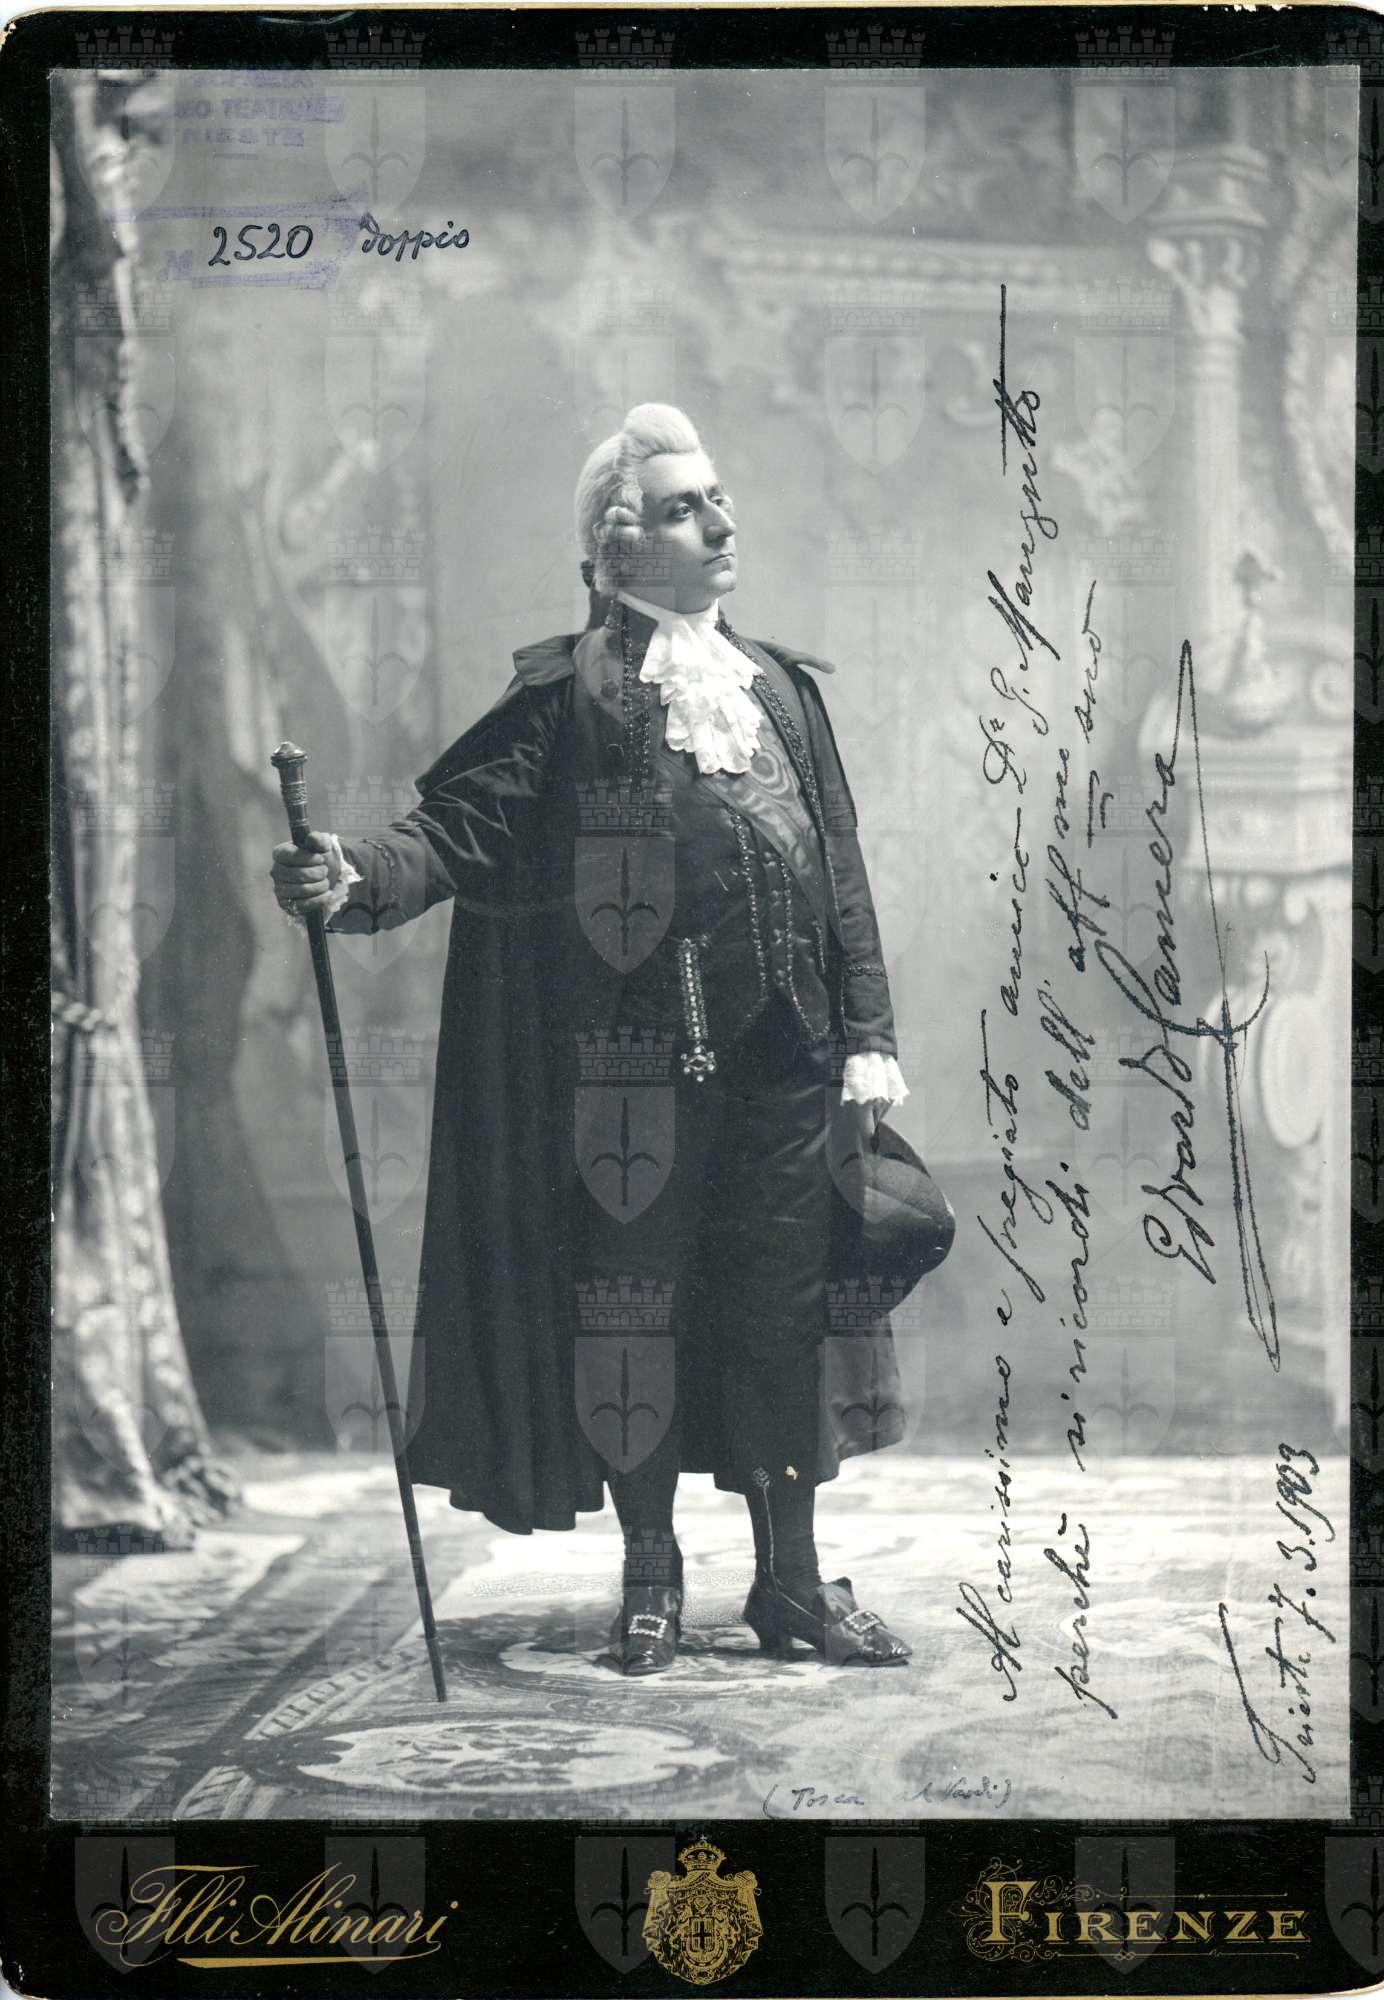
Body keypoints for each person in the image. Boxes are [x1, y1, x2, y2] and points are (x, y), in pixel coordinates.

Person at [270, 403, 916, 1674]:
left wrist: (866, 1032)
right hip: (630, 1082)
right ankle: (651, 1579)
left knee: (780, 1318)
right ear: (618, 550)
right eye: (683, 508)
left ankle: (790, 1585)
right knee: (634, 1319)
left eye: (716, 497)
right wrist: (354, 874)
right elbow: (454, 829)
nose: (719, 522)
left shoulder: (781, 690)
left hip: (787, 1063)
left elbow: (837, 867)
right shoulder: (565, 693)